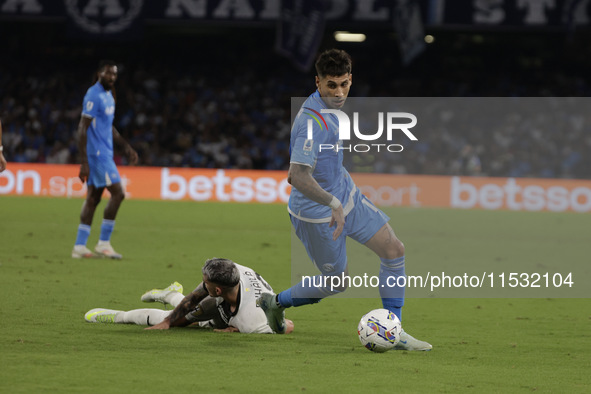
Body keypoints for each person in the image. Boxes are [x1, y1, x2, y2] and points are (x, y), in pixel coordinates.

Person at [258, 49, 431, 350]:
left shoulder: (334, 109)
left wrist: (340, 195)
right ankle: (275, 302)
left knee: (393, 249)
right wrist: (333, 204)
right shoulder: (311, 122)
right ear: (318, 82)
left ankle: (394, 329)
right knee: (336, 283)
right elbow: (296, 176)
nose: (338, 93)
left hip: (344, 192)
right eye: (331, 85)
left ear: (351, 79)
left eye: (344, 84)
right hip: (316, 210)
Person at [85, 258, 294, 334]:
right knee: (174, 319)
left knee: (190, 317)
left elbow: (287, 326)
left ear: (218, 289)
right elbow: (195, 297)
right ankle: (119, 316)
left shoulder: (253, 321)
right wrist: (168, 321)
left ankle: (120, 315)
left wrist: (238, 329)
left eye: (207, 283)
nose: (203, 284)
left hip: (235, 315)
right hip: (226, 308)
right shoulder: (230, 270)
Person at [72, 60, 138, 259]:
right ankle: (103, 243)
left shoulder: (109, 94)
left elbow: (108, 126)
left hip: (106, 152)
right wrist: (84, 161)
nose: (112, 78)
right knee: (118, 194)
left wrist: (125, 146)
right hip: (97, 155)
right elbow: (82, 127)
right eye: (108, 74)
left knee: (93, 198)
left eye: (115, 75)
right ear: (100, 73)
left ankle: (80, 246)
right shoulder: (93, 94)